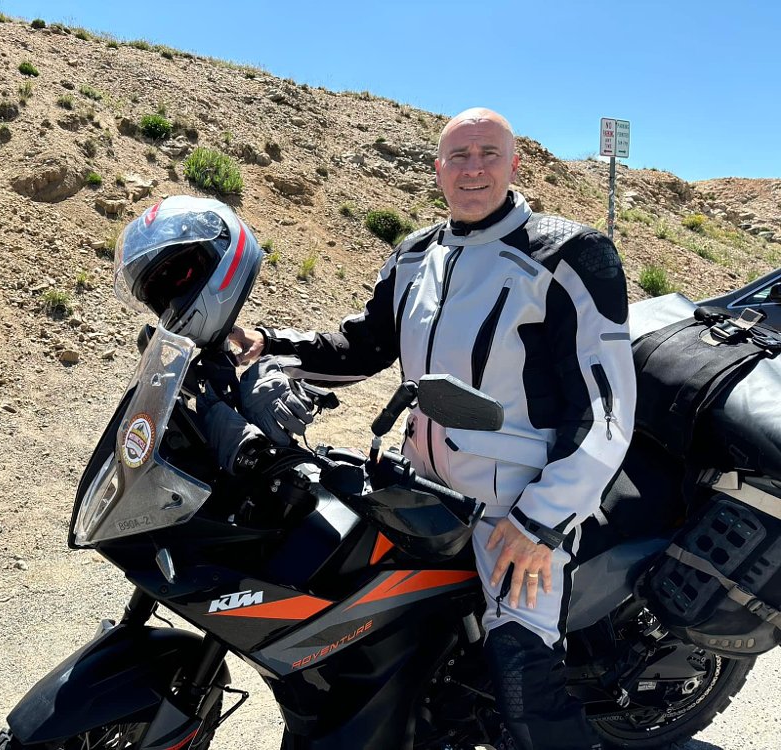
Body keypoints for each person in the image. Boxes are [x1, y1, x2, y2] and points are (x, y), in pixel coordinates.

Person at [229, 108, 636, 750]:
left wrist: (538, 524)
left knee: (522, 676)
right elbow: (360, 347)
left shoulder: (568, 255)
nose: (473, 168)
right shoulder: (418, 254)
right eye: (459, 156)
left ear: (514, 163)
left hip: (518, 504)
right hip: (423, 486)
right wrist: (267, 346)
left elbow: (607, 412)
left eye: (488, 154)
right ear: (439, 169)